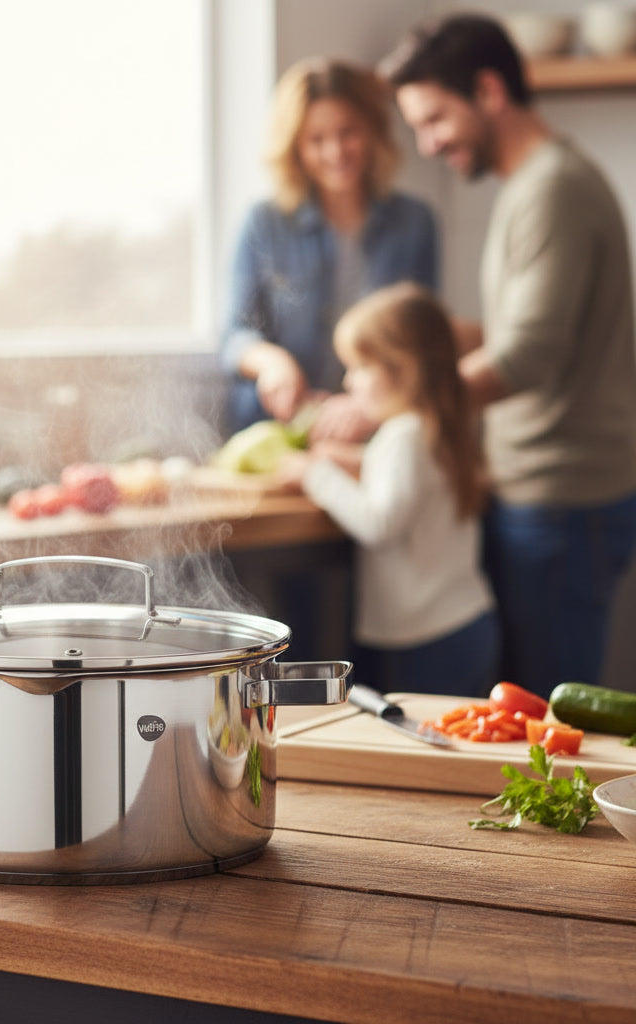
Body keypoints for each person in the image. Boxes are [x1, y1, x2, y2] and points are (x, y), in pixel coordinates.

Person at [383, 14, 636, 699]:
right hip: (552, 498)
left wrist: (398, 410)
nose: (429, 145)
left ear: (489, 90)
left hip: (561, 497)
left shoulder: (553, 187)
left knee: (551, 724)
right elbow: (525, 329)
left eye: (435, 119)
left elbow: (526, 356)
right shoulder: (536, 183)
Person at [277, 282, 497, 697]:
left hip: (430, 636)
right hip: (453, 627)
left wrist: (315, 474)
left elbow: (380, 523)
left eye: (360, 367)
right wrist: (348, 461)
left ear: (404, 368)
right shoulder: (434, 425)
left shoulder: (404, 434)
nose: (349, 381)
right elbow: (410, 484)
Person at [220, 57, 439, 438]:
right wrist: (274, 364)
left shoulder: (415, 223)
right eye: (316, 140)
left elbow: (424, 342)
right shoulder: (263, 223)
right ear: (295, 147)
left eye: (348, 132)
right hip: (276, 428)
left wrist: (364, 405)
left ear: (372, 131)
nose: (335, 152)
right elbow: (235, 335)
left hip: (377, 428)